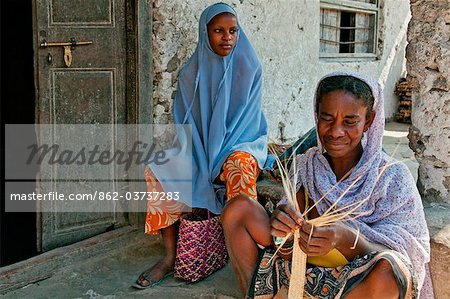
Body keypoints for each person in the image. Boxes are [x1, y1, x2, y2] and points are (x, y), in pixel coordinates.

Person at [222, 72, 432, 298]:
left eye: (350, 122)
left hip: (356, 282)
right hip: (303, 270)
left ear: (369, 121)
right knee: (238, 209)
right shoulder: (306, 165)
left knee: (390, 272)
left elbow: (409, 254)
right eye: (327, 118)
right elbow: (285, 245)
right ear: (317, 116)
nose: (336, 132)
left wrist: (347, 240)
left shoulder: (391, 176)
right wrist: (282, 229)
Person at [134, 2, 269, 288]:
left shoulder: (250, 67)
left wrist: (218, 159)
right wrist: (196, 159)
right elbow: (186, 126)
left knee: (240, 168)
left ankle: (253, 264)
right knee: (158, 167)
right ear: (204, 33)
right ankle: (170, 257)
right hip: (200, 148)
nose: (227, 38)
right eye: (218, 31)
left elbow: (246, 122)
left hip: (239, 144)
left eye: (233, 31)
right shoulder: (189, 75)